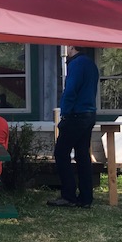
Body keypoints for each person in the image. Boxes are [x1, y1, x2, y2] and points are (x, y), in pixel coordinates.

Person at [48, 45, 99, 208]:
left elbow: (70, 90)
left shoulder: (76, 64)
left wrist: (65, 113)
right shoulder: (90, 63)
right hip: (89, 113)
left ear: (71, 47)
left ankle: (68, 196)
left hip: (76, 114)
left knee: (61, 152)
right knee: (82, 155)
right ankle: (86, 198)